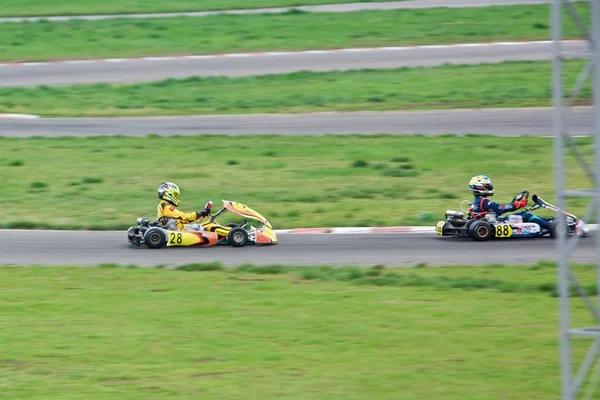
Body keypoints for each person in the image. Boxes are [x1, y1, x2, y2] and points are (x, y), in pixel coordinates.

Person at [468, 175, 551, 229]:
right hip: (496, 224)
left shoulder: (477, 200)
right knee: (527, 216)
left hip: (490, 222)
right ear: (480, 188)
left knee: (523, 214)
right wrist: (518, 204)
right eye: (487, 186)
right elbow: (499, 208)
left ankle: (549, 220)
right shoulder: (484, 201)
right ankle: (551, 225)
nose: (489, 187)